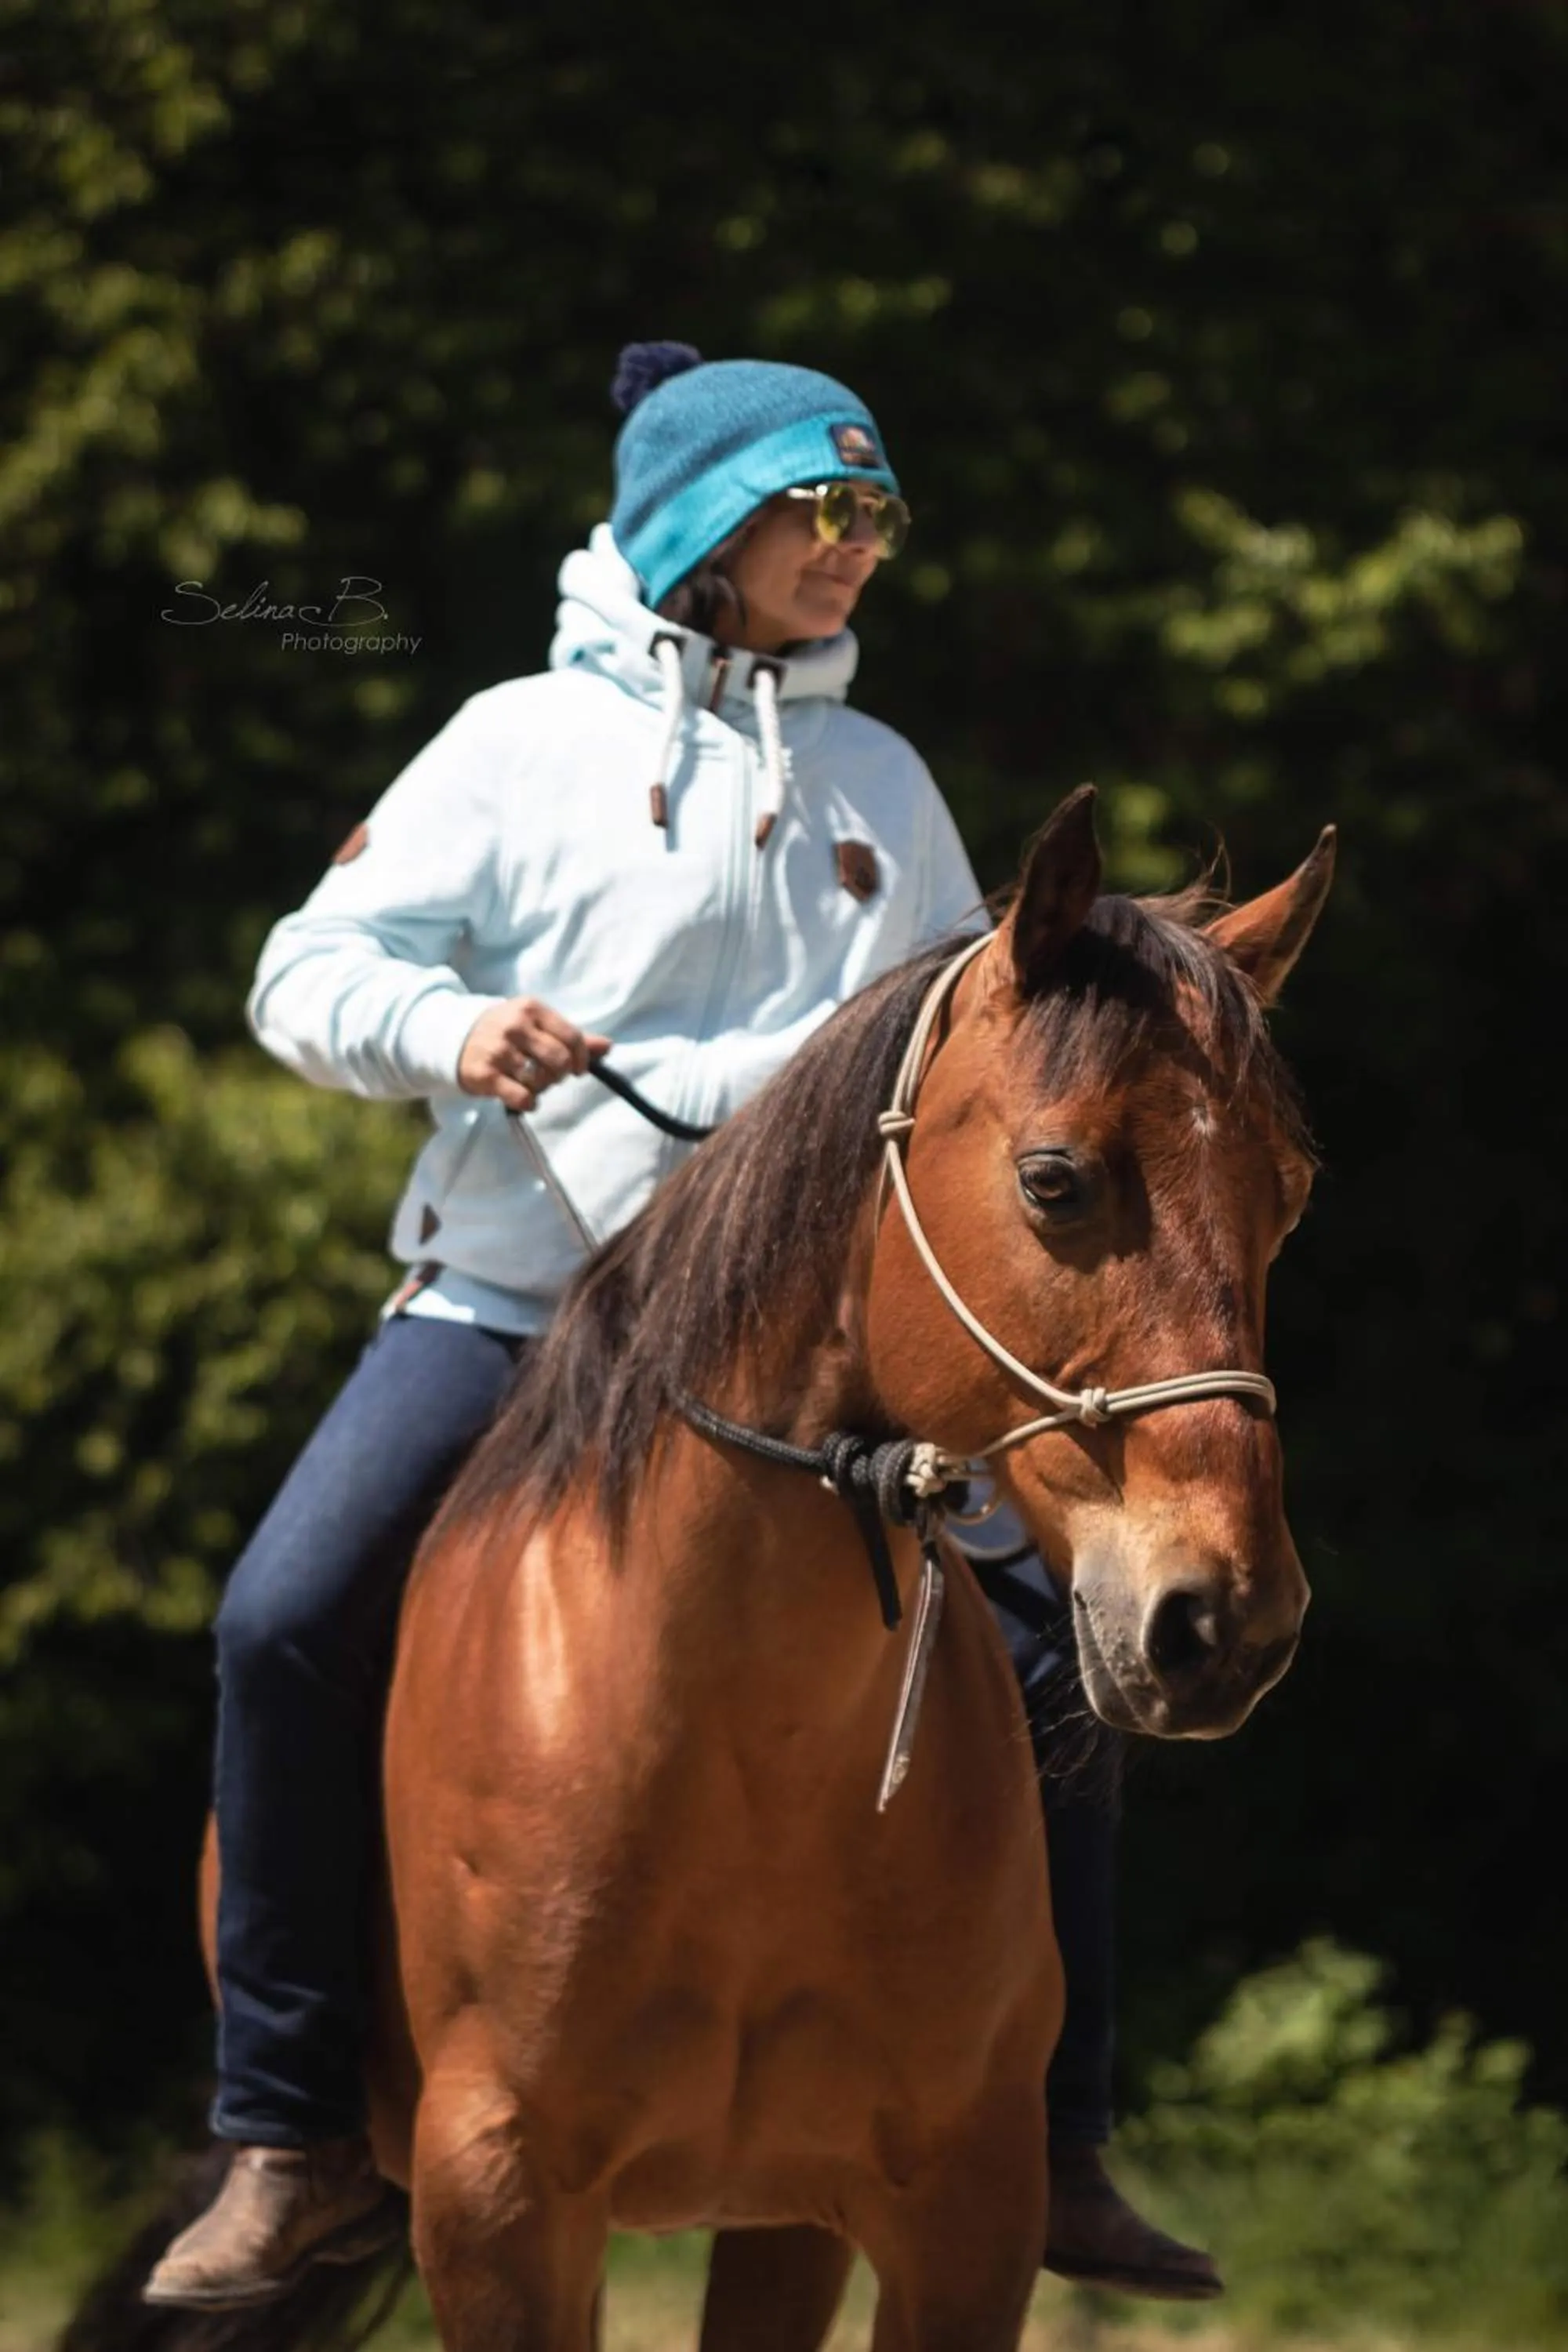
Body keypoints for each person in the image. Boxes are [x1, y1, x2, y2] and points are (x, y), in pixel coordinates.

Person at [143, 341, 1218, 2310]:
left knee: (1052, 1661)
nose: (858, 549)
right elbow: (309, 971)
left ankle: (1049, 2139)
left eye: (877, 514)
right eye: (826, 509)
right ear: (700, 528)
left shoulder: (880, 783)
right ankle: (288, 2133)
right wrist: (451, 1029)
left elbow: (963, 1076)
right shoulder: (510, 745)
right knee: (281, 1617)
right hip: (520, 1311)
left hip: (812, 1365)